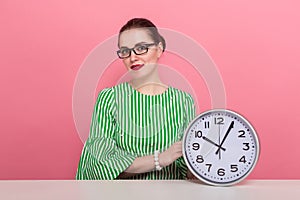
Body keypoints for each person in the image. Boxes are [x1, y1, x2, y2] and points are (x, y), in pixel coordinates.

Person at [76, 18, 196, 180]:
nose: (133, 57)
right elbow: (100, 163)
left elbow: (188, 169)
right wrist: (160, 159)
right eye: (125, 51)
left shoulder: (184, 101)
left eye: (141, 48)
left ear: (159, 49)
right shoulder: (110, 98)